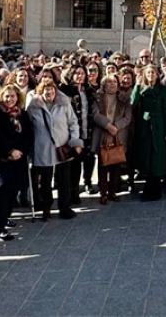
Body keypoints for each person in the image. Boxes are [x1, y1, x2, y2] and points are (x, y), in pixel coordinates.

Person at [27, 77, 84, 219]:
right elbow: (28, 126)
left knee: (64, 179)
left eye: (52, 91)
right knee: (45, 181)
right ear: (40, 92)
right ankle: (46, 207)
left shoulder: (64, 104)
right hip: (42, 148)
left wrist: (74, 141)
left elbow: (73, 122)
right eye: (46, 91)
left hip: (62, 146)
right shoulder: (33, 106)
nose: (49, 94)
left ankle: (65, 207)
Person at [0, 85, 34, 239]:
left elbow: (28, 135)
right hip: (1, 158)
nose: (10, 99)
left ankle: (6, 217)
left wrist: (21, 152)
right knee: (3, 190)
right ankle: (0, 226)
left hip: (19, 158)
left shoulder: (23, 115)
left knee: (15, 189)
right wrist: (9, 151)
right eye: (7, 96)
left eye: (13, 96)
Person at [130, 65, 166, 201]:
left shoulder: (163, 90)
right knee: (146, 156)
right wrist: (137, 84)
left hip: (158, 125)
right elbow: (133, 102)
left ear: (157, 75)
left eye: (153, 72)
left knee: (157, 157)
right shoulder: (141, 89)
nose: (151, 75)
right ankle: (148, 187)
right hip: (145, 125)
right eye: (148, 73)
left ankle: (155, 189)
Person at [91, 74, 132, 204]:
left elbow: (128, 116)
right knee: (103, 165)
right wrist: (107, 125)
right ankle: (103, 193)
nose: (112, 84)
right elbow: (95, 114)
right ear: (104, 84)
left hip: (118, 134)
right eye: (109, 82)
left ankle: (113, 192)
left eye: (114, 82)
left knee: (116, 164)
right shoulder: (97, 97)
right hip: (103, 133)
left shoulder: (124, 98)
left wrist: (116, 126)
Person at [60, 65, 95, 201]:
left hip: (88, 130)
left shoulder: (88, 91)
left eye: (82, 73)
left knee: (88, 158)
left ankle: (86, 183)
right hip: (73, 133)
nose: (80, 76)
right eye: (77, 73)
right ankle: (73, 192)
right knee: (74, 164)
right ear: (71, 75)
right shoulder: (66, 91)